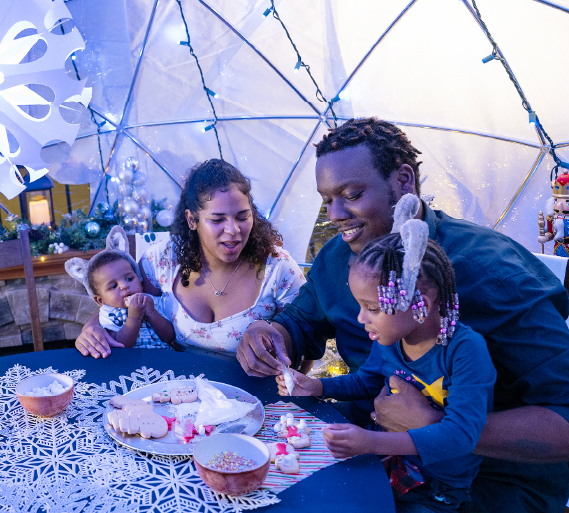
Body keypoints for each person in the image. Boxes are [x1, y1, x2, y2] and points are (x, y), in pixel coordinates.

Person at [238, 117, 569, 512]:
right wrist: (269, 334)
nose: (334, 214)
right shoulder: (340, 258)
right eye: (326, 200)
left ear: (404, 180)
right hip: (371, 453)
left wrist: (435, 425)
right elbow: (300, 322)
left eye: (351, 194)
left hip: (486, 482)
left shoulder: (492, 273)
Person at [281, 200, 495, 511]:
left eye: (373, 308)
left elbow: (461, 435)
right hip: (384, 462)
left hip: (435, 489)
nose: (360, 319)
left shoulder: (464, 351)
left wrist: (371, 442)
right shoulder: (392, 338)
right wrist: (318, 387)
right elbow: (367, 382)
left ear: (418, 301)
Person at [74, 159, 304, 359]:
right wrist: (93, 325)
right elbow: (128, 297)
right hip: (181, 395)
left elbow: (308, 336)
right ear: (192, 220)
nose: (233, 230)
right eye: (217, 220)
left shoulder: (278, 268)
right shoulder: (162, 259)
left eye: (242, 216)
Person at [64, 226, 175, 349]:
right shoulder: (109, 314)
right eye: (113, 286)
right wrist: (134, 317)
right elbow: (121, 345)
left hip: (163, 359)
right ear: (100, 300)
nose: (124, 285)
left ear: (140, 281)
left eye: (129, 279)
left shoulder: (152, 302)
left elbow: (170, 337)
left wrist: (152, 313)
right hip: (133, 363)